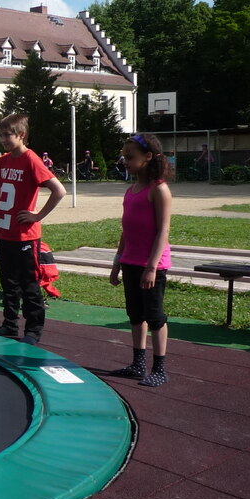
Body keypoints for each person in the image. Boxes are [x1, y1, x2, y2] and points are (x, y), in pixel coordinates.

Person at [0, 113, 66, 344]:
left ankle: (33, 330)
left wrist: (37, 215)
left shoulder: (31, 160)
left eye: (7, 135)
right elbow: (1, 191)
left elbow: (59, 190)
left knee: (29, 284)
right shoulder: (3, 161)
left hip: (25, 236)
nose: (3, 139)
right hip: (5, 232)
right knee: (8, 283)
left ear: (21, 135)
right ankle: (9, 324)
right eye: (1, 135)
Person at [107, 133, 173, 387]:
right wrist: (117, 262)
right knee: (135, 314)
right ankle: (137, 364)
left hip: (151, 265)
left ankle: (159, 368)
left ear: (148, 157)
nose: (125, 161)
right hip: (131, 262)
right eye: (124, 156)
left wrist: (152, 267)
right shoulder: (131, 190)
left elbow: (163, 231)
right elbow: (126, 229)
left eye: (130, 157)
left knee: (155, 316)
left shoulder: (159, 189)